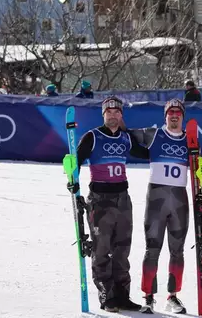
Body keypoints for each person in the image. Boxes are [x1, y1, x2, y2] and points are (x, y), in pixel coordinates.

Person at [75, 96, 149, 312]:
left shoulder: (125, 138)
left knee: (122, 249)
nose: (113, 116)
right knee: (101, 250)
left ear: (121, 116)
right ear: (103, 114)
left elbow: (145, 153)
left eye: (117, 112)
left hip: (123, 199)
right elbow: (76, 160)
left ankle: (122, 295)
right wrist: (72, 176)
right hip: (100, 200)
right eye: (109, 112)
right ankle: (107, 296)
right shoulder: (92, 136)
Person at [130, 99, 191, 314]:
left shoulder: (190, 138)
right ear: (165, 116)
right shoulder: (153, 134)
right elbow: (124, 137)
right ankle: (148, 297)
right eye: (170, 112)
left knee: (177, 251)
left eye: (178, 112)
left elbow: (201, 166)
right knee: (152, 249)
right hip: (156, 201)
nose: (174, 115)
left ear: (182, 116)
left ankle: (173, 297)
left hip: (179, 202)